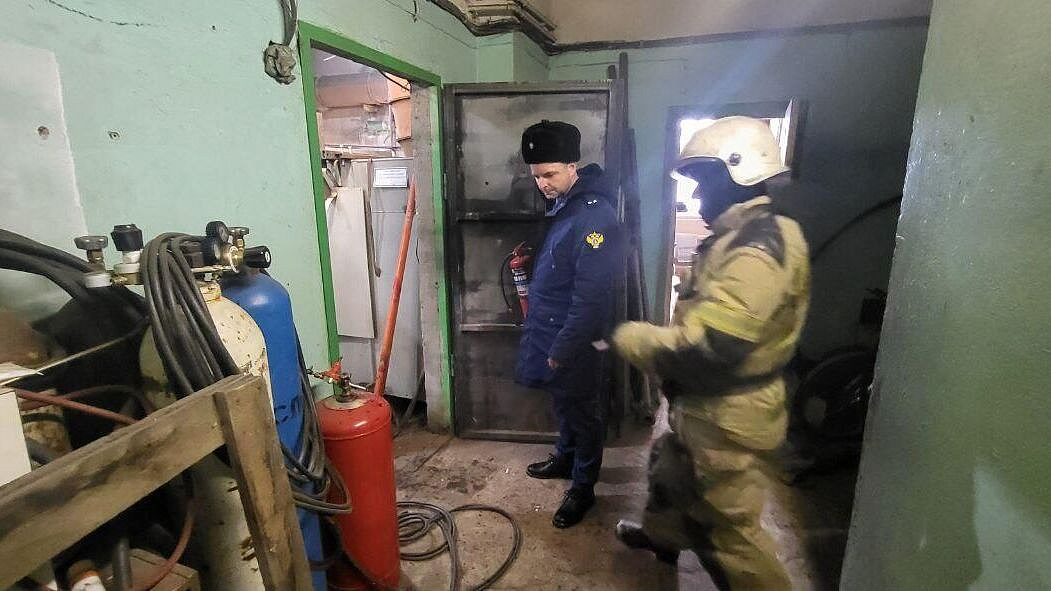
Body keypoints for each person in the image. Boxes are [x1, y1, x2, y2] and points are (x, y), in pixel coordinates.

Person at [611, 116, 810, 589]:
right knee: (671, 470)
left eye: (704, 183)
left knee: (730, 531)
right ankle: (662, 538)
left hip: (729, 414)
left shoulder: (758, 249)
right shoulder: (739, 235)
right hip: (706, 406)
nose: (697, 196)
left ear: (739, 172)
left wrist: (632, 337)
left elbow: (711, 347)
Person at [514, 120, 621, 529]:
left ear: (573, 166)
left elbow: (591, 298)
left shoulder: (594, 216)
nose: (542, 183)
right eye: (536, 176)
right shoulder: (567, 205)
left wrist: (562, 348)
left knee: (584, 410)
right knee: (564, 402)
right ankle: (565, 457)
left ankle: (583, 486)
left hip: (576, 336)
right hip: (553, 328)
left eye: (550, 174)